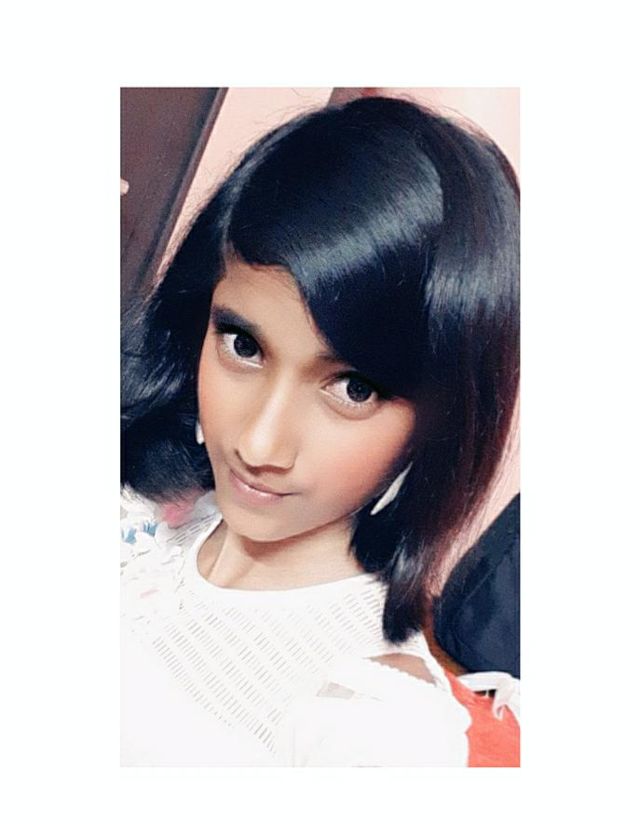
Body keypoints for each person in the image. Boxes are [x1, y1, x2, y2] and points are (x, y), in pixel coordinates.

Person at [120, 95, 520, 766]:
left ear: (440, 422)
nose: (259, 444)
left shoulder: (368, 722)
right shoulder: (147, 507)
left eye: (354, 389)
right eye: (244, 345)